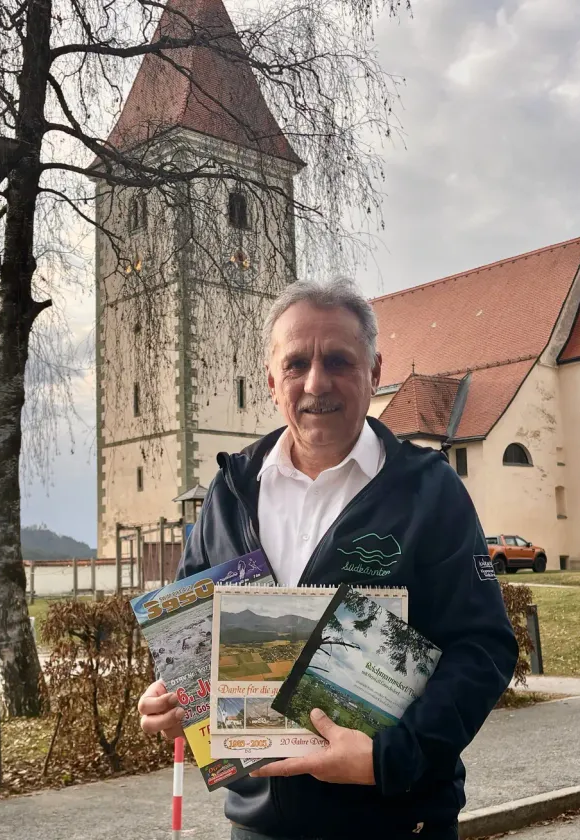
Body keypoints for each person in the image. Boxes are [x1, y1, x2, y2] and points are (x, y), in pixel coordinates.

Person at [138, 277, 519, 840]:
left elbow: (482, 649)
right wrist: (172, 698)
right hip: (260, 827)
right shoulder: (230, 490)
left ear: (374, 370)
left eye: (338, 360)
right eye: (296, 364)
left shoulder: (428, 491)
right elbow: (189, 635)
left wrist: (390, 757)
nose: (317, 382)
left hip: (395, 820)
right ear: (272, 381)